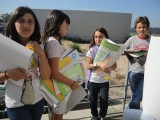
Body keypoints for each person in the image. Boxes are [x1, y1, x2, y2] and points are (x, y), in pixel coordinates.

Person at [0, 6, 51, 120]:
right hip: (16, 104)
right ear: (13, 23)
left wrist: (41, 54)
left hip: (38, 101)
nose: (26, 25)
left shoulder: (39, 45)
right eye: (21, 21)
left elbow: (46, 76)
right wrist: (7, 74)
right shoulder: (4, 46)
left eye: (30, 21)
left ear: (35, 25)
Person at [42, 10, 80, 120]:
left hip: (56, 86)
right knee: (58, 115)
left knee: (55, 113)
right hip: (60, 86)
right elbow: (54, 73)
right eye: (66, 25)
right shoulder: (54, 43)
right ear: (57, 24)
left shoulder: (49, 40)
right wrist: (72, 83)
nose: (67, 28)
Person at [86, 27, 117, 120]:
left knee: (104, 101)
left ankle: (103, 116)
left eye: (100, 37)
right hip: (93, 81)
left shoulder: (110, 51)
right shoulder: (91, 50)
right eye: (95, 37)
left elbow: (115, 65)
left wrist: (110, 68)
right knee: (93, 101)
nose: (98, 39)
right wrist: (97, 64)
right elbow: (87, 65)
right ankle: (94, 116)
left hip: (104, 81)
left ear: (106, 38)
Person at [124, 16, 150, 109]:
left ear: (147, 28)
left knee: (137, 95)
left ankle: (132, 108)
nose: (141, 29)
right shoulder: (132, 39)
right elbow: (123, 48)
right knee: (134, 94)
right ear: (135, 28)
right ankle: (134, 113)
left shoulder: (151, 40)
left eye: (144, 27)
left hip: (146, 73)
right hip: (134, 72)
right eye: (139, 27)